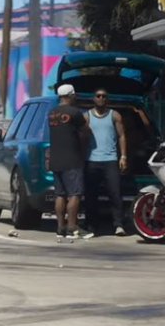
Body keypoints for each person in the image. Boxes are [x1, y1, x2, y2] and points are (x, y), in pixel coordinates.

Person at [46, 84, 93, 239]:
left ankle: (60, 227)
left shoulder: (52, 113)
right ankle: (72, 227)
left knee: (60, 194)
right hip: (72, 158)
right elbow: (86, 131)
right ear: (71, 95)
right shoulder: (74, 112)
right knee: (75, 194)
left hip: (56, 158)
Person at [83, 88, 129, 238]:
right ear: (94, 98)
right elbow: (81, 137)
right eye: (98, 96)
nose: (101, 98)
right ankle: (91, 225)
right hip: (92, 160)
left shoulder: (114, 115)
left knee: (115, 193)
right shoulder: (87, 116)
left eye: (104, 96)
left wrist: (123, 156)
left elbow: (121, 136)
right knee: (91, 195)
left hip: (110, 160)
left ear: (107, 99)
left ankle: (118, 224)